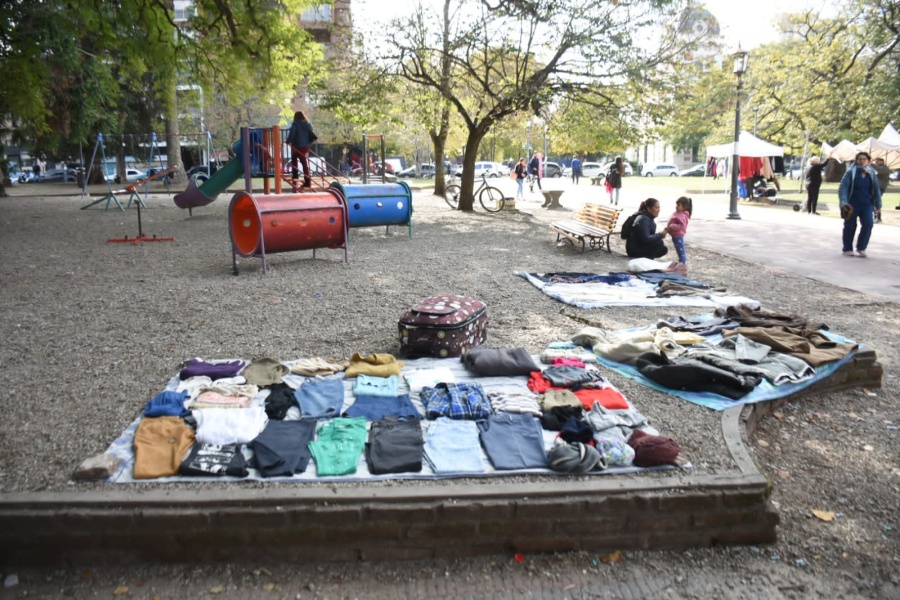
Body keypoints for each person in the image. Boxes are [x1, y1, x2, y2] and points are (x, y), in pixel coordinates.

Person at [838, 151, 882, 258]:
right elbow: (843, 188)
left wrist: (878, 205)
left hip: (867, 204)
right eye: (860, 159)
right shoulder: (851, 172)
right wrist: (844, 202)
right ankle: (847, 248)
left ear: (869, 161)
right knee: (850, 226)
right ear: (856, 160)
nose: (862, 161)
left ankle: (861, 247)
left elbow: (876, 190)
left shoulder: (871, 173)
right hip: (852, 204)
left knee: (868, 224)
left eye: (864, 159)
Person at [286, 110, 315, 187]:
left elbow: (292, 133)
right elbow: (311, 132)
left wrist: (288, 141)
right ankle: (298, 176)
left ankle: (305, 180)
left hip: (298, 146)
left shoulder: (295, 124)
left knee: (301, 161)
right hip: (306, 146)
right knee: (297, 158)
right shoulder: (308, 124)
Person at [666, 196, 692, 264]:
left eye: (679, 205)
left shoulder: (682, 215)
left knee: (681, 251)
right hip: (675, 235)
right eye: (676, 205)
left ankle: (682, 263)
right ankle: (681, 263)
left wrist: (671, 226)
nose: (676, 207)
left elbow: (681, 226)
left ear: (684, 207)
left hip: (678, 236)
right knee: (679, 250)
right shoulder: (679, 213)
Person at [871, 157, 890, 223]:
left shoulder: (885, 168)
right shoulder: (876, 169)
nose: (876, 162)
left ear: (882, 161)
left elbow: (879, 170)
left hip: (881, 187)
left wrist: (871, 164)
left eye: (877, 161)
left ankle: (878, 217)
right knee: (872, 201)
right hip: (875, 187)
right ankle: (875, 216)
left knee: (876, 201)